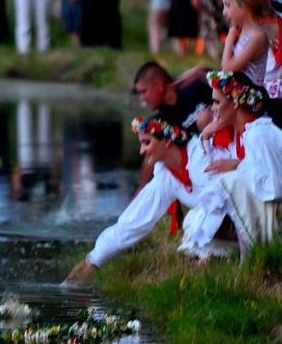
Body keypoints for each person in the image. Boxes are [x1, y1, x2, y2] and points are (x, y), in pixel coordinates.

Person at [65, 115, 238, 280]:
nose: (142, 151)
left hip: (250, 217)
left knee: (195, 221)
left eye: (147, 143)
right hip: (225, 228)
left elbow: (232, 195)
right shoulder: (165, 176)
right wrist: (94, 260)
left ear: (167, 140)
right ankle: (215, 258)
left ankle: (234, 259)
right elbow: (133, 222)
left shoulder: (203, 153)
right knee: (195, 222)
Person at [200, 70, 282, 254]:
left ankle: (255, 254)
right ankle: (248, 254)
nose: (212, 109)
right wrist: (205, 137)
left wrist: (239, 166)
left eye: (217, 102)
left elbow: (280, 189)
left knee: (231, 182)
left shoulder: (259, 133)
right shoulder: (246, 132)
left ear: (235, 103)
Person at [133, 61, 216, 136]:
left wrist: (204, 74)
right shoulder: (162, 121)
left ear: (159, 85)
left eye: (143, 91)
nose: (142, 98)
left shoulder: (196, 81)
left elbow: (226, 82)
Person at [222, 0, 274, 85]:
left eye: (228, 5)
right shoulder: (239, 30)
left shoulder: (258, 36)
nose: (224, 12)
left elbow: (227, 69)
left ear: (246, 2)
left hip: (249, 98)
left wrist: (229, 40)